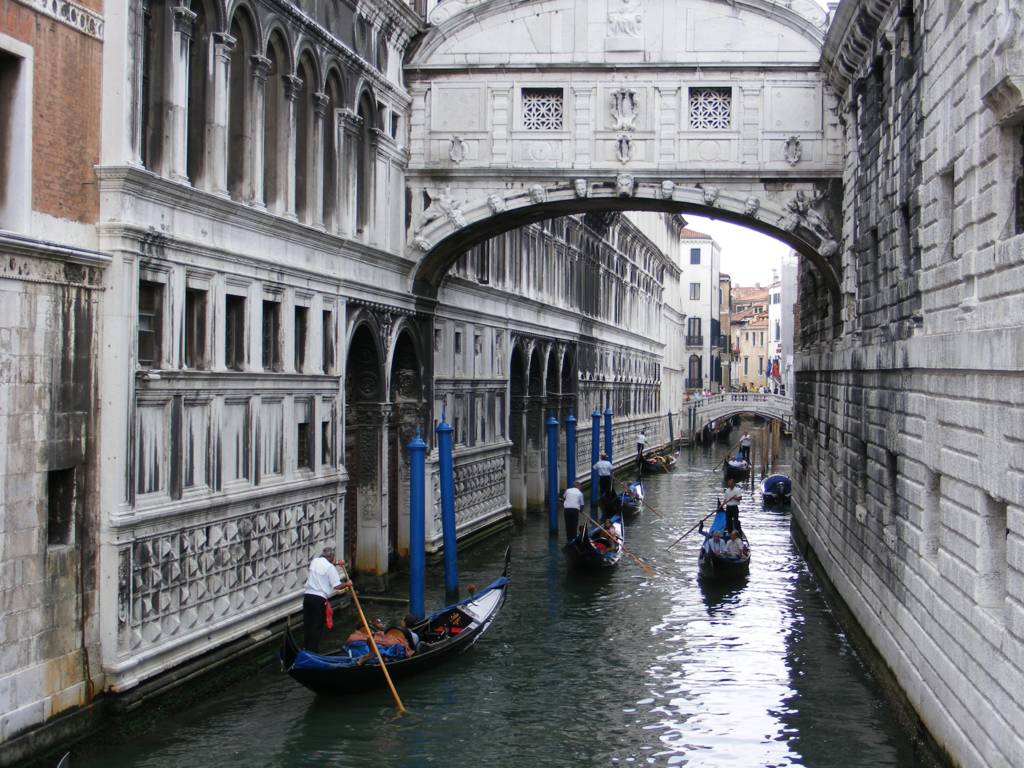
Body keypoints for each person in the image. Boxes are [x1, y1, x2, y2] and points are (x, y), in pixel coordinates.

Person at [302, 545, 350, 652]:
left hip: (307, 597)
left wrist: (337, 563)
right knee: (316, 625)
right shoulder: (330, 568)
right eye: (334, 557)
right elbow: (337, 586)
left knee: (308, 624)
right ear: (332, 556)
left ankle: (306, 649)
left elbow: (326, 563)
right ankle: (312, 651)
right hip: (318, 599)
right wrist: (347, 583)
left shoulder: (315, 561)